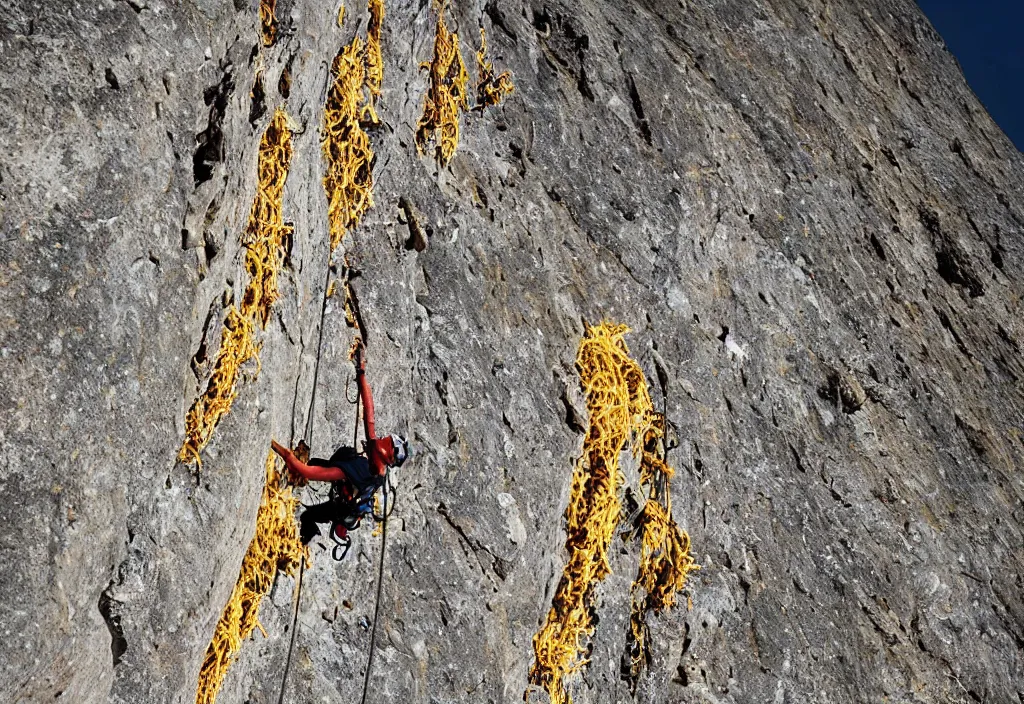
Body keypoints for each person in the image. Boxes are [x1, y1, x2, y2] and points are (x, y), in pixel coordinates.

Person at [271, 342, 408, 547]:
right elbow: (368, 411)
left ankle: (308, 538)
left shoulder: (361, 471)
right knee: (331, 458)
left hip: (342, 509)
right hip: (349, 495)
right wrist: (361, 372)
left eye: (387, 441)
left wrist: (277, 448)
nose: (384, 437)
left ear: (386, 454)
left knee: (307, 517)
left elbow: (309, 473)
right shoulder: (375, 456)